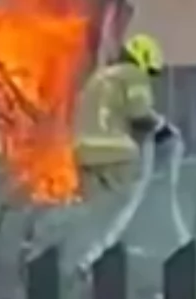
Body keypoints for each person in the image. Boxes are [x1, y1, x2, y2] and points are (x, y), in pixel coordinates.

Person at [72, 32, 175, 197]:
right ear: (144, 61)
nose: (148, 77)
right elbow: (139, 112)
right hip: (117, 154)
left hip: (83, 153)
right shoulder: (133, 74)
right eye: (150, 71)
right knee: (121, 205)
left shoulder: (100, 76)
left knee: (93, 209)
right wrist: (161, 128)